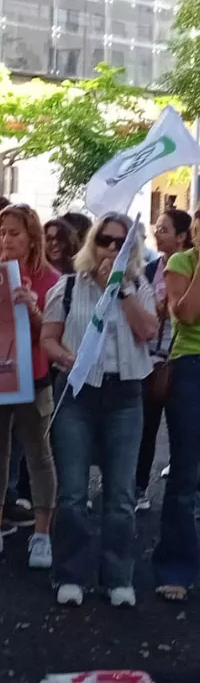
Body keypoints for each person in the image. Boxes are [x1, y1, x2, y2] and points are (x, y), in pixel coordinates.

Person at [42, 212, 157, 607]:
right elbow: (48, 339)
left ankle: (117, 576)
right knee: (73, 493)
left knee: (121, 494)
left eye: (120, 243)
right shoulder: (68, 287)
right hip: (78, 394)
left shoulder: (139, 286)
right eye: (105, 240)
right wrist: (66, 359)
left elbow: (148, 332)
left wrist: (121, 290)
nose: (111, 249)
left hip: (125, 395)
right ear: (93, 243)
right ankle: (70, 573)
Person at [0, 205, 59, 569]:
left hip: (34, 376)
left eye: (15, 233)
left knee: (38, 454)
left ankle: (42, 534)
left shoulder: (50, 279)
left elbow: (55, 337)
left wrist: (34, 310)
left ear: (32, 238)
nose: (6, 239)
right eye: (2, 232)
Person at [152, 210, 200, 603]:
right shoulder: (182, 262)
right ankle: (176, 568)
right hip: (191, 368)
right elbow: (184, 314)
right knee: (185, 472)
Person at [136, 208, 192, 511]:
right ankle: (139, 487)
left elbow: (186, 315)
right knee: (145, 425)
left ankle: (186, 488)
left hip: (182, 356)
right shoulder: (149, 269)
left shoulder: (191, 268)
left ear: (182, 236)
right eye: (157, 228)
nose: (158, 233)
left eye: (165, 229)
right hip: (151, 358)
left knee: (184, 429)